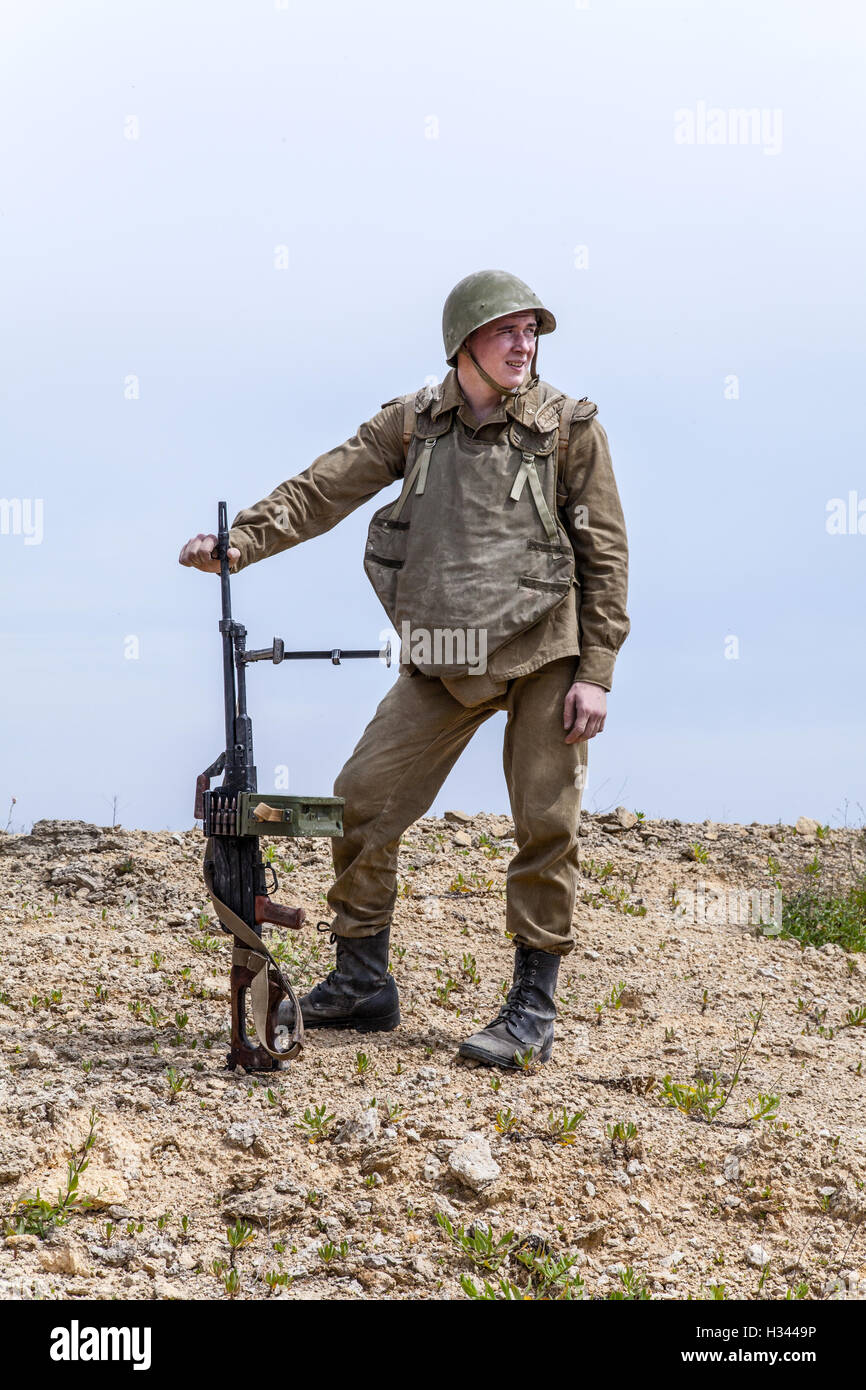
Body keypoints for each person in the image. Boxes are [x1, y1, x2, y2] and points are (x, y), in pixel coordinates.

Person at [179, 269, 630, 1070]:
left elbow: (605, 552)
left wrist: (596, 668)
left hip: (545, 652)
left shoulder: (569, 428)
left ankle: (532, 1006)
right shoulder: (415, 423)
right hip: (447, 655)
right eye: (507, 332)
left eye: (533, 332)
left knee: (545, 825)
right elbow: (328, 485)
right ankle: (361, 977)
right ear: (464, 344)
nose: (524, 345)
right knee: (360, 801)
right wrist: (243, 540)